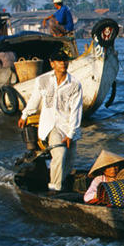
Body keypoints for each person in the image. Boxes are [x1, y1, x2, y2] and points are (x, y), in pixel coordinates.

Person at [17, 47, 82, 194]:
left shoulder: (75, 84)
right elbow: (35, 99)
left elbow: (77, 110)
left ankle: (60, 181)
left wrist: (71, 134)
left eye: (65, 61)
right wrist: (25, 115)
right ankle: (54, 188)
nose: (63, 64)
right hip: (51, 126)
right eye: (59, 61)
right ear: (52, 64)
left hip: (69, 125)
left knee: (69, 160)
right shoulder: (43, 80)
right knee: (59, 153)